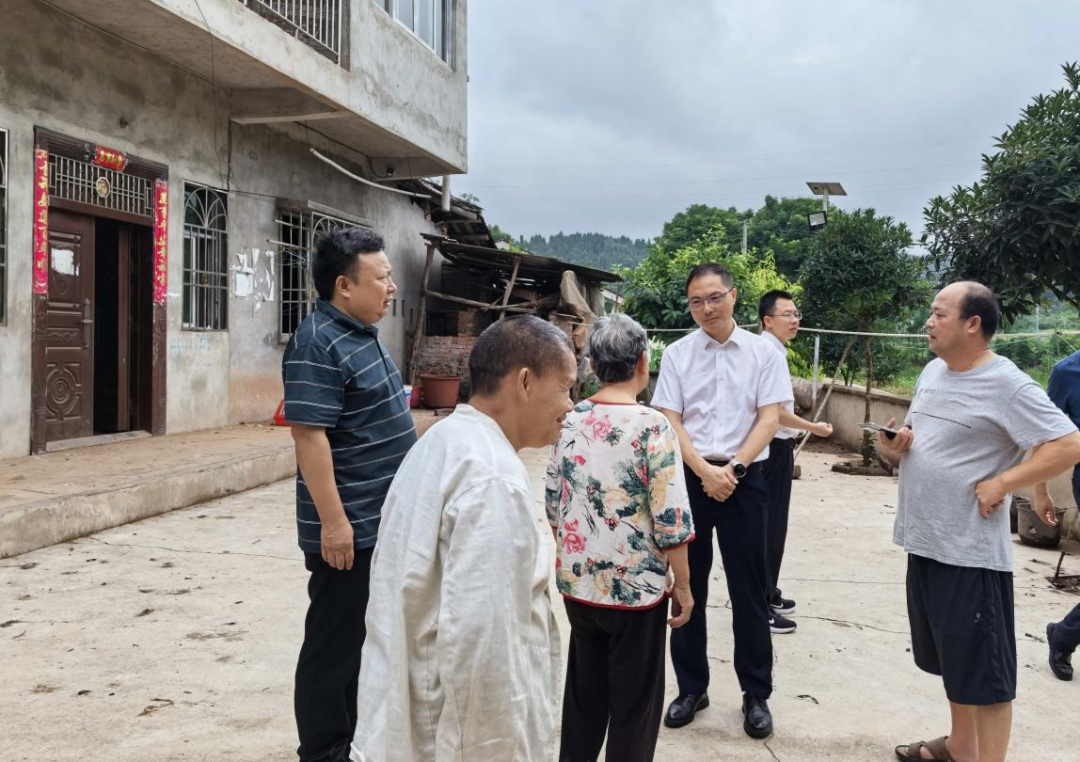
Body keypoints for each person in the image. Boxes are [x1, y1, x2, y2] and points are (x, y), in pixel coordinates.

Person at [351, 315, 577, 762]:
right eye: (566, 387)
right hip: (454, 737)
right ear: (525, 382)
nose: (570, 405)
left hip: (411, 715)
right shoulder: (492, 480)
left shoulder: (444, 441)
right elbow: (484, 642)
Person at [877, 282, 1080, 762]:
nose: (928, 322)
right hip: (926, 541)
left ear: (973, 324)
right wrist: (897, 443)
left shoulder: (1006, 382)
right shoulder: (933, 370)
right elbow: (916, 437)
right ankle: (960, 745)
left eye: (938, 314)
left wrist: (1004, 482)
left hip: (970, 554)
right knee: (954, 660)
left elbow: (1068, 443)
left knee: (986, 677)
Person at [282, 228, 416, 762]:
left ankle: (353, 740)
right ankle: (322, 751)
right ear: (344, 285)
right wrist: (335, 524)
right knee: (332, 647)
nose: (391, 287)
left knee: (362, 641)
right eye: (382, 278)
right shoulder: (317, 341)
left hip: (375, 523)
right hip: (349, 528)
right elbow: (309, 437)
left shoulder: (359, 333)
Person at [651, 263, 793, 739]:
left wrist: (732, 470)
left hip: (744, 480)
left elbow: (770, 420)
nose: (706, 308)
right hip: (690, 481)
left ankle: (756, 693)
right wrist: (704, 471)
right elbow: (670, 420)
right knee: (686, 586)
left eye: (714, 297)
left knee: (749, 590)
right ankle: (692, 688)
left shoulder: (763, 353)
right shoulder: (677, 354)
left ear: (733, 296)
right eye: (696, 301)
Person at [546, 314, 695, 762]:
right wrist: (683, 586)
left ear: (592, 365)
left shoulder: (571, 419)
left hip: (580, 588)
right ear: (643, 362)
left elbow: (554, 503)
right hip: (636, 593)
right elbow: (670, 517)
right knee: (634, 707)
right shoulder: (652, 426)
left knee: (584, 698)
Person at [757, 290, 834, 635]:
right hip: (772, 448)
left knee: (773, 525)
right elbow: (776, 413)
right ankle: (761, 603)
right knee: (770, 527)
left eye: (796, 314)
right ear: (767, 321)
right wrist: (813, 427)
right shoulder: (768, 353)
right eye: (786, 314)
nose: (794, 320)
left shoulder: (772, 350)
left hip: (775, 447)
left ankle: (768, 591)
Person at [1032, 348, 1080, 681]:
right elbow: (1043, 433)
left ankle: (1064, 633)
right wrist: (1040, 489)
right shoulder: (1067, 372)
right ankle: (1064, 635)